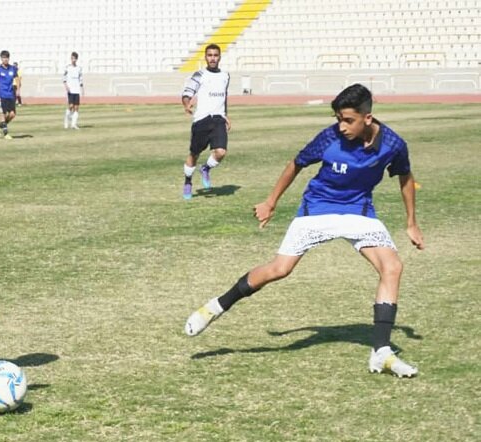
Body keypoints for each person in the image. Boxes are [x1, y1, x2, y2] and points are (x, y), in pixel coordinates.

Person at [184, 83, 425, 378]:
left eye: (348, 120)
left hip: (359, 212)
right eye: (339, 118)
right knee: (280, 269)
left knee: (392, 267)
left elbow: (404, 176)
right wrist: (270, 202)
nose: (342, 126)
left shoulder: (393, 144)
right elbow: (295, 164)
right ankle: (215, 307)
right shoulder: (328, 138)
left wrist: (411, 222)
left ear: (368, 118)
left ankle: (381, 352)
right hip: (317, 209)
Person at [181, 43, 230, 200]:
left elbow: (224, 97)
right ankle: (188, 181)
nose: (213, 58)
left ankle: (206, 169)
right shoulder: (199, 75)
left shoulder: (225, 76)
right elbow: (187, 93)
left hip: (218, 119)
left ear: (219, 57)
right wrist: (186, 104)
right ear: (205, 57)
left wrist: (226, 115)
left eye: (215, 55)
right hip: (201, 120)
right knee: (194, 154)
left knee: (221, 152)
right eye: (210, 55)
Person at [0, 50, 17, 140]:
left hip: (11, 95)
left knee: (12, 114)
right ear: (1, 59)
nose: (5, 59)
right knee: (3, 114)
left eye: (6, 58)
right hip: (2, 95)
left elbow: (16, 78)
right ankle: (6, 134)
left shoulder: (13, 68)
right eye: (3, 58)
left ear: (8, 58)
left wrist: (17, 88)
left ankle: (0, 125)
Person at [63, 51, 83, 129]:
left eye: (74, 58)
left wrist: (82, 87)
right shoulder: (67, 67)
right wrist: (66, 86)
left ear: (76, 59)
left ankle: (74, 124)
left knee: (76, 107)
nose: (72, 60)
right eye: (71, 58)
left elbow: (81, 78)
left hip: (77, 89)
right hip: (70, 89)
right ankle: (66, 119)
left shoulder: (79, 68)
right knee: (71, 106)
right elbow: (64, 78)